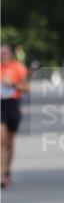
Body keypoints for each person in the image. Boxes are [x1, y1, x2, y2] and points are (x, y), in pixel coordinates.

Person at [1, 44, 30, 188]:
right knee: (1, 139)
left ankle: (7, 172)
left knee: (9, 143)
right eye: (0, 54)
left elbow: (26, 88)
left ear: (10, 54)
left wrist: (12, 84)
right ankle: (2, 174)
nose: (2, 56)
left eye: (4, 53)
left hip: (13, 106)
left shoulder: (18, 67)